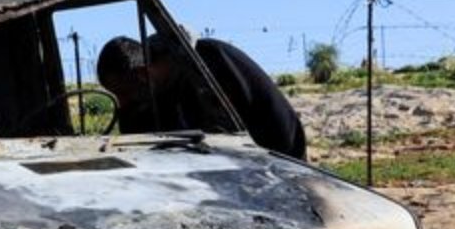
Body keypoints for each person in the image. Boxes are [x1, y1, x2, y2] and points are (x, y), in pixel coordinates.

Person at [96, 33, 308, 158]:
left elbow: (274, 122)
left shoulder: (212, 63)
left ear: (143, 73)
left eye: (123, 92)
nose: (121, 103)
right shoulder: (147, 99)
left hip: (277, 159)